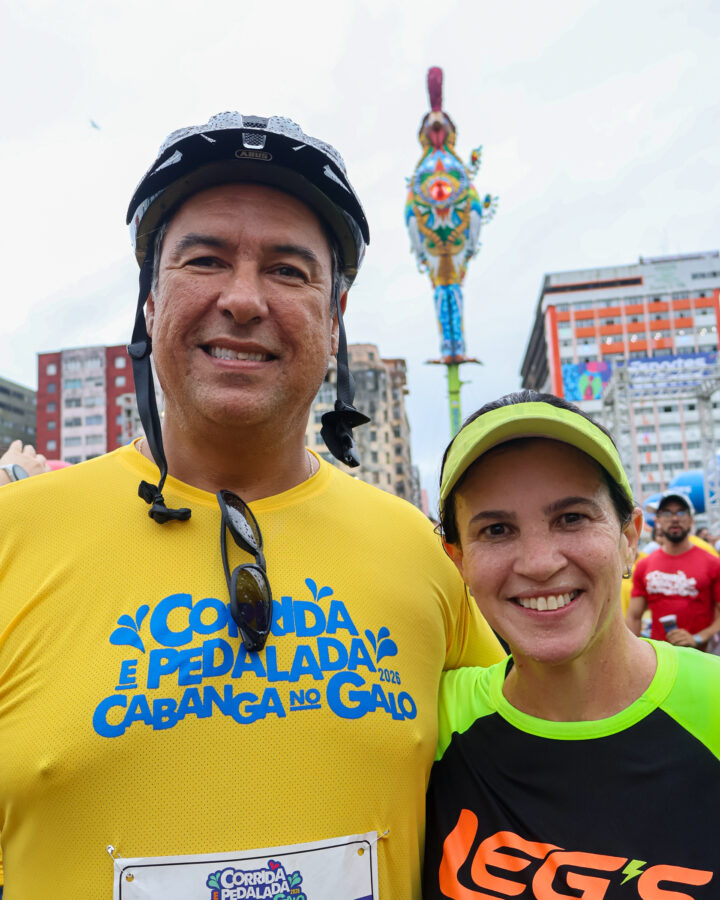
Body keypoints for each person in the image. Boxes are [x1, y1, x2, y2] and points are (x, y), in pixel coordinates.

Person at [0, 112, 502, 898]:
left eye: (288, 270)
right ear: (149, 300)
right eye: (205, 260)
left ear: (334, 320)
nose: (242, 299)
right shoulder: (14, 537)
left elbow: (554, 769)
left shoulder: (419, 554)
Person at [423, 390, 720, 898]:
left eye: (572, 518)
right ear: (459, 560)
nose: (539, 563)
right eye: (497, 529)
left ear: (629, 537)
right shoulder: (428, 722)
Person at [627, 490, 720, 650]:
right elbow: (634, 616)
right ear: (658, 521)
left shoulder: (713, 563)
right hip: (660, 657)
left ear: (691, 520)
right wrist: (633, 653)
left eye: (681, 512)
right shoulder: (644, 565)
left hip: (701, 656)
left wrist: (698, 638)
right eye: (667, 513)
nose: (675, 518)